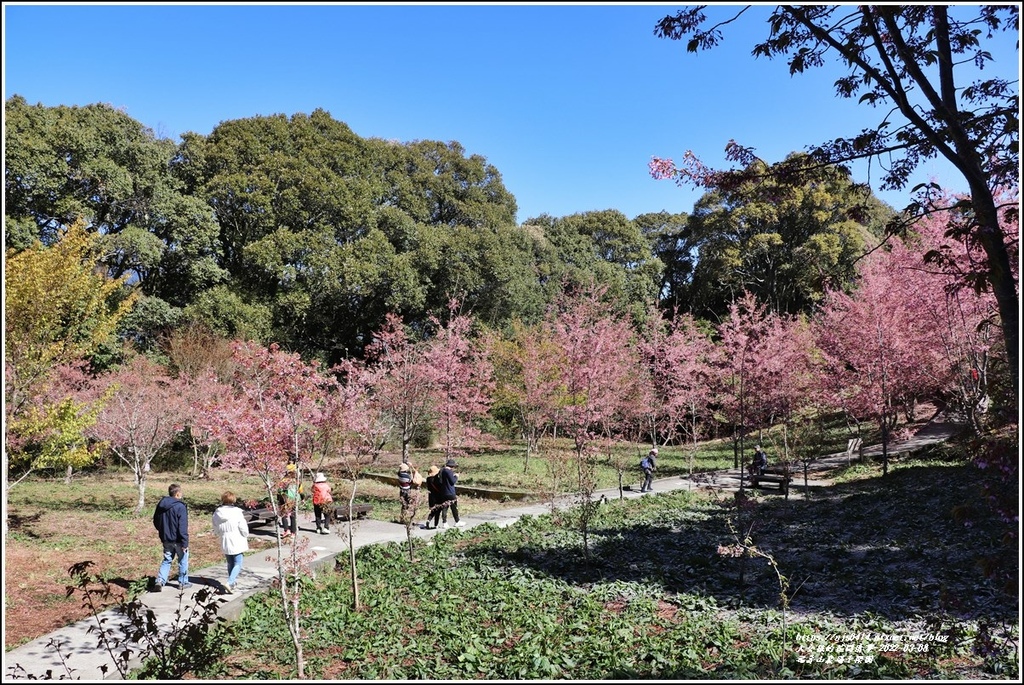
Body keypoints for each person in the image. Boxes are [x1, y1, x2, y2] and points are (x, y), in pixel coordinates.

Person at [152, 483, 190, 591]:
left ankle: (160, 581)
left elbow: (156, 520)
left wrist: (162, 531)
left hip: (166, 538)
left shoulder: (161, 505)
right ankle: (183, 582)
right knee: (182, 560)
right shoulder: (180, 506)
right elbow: (182, 526)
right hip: (178, 539)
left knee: (167, 559)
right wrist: (185, 542)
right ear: (177, 494)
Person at [212, 491, 249, 594]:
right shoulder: (237, 512)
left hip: (225, 538)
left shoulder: (217, 512)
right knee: (238, 562)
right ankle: (230, 581)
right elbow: (243, 527)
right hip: (237, 538)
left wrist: (220, 533)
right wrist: (245, 534)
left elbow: (215, 527)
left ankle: (232, 583)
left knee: (230, 562)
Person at [276, 463, 303, 538]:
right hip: (294, 499)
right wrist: (302, 499)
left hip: (284, 499)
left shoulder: (283, 480)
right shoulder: (297, 481)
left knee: (284, 515)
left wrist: (279, 499)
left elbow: (279, 491)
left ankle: (286, 530)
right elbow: (300, 491)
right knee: (293, 516)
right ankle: (293, 532)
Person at [439, 458, 465, 528]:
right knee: (454, 507)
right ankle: (457, 521)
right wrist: (456, 476)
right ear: (452, 466)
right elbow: (452, 481)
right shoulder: (449, 471)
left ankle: (444, 522)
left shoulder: (442, 471)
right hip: (450, 492)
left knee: (445, 507)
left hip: (444, 492)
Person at [423, 464, 442, 529]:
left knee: (433, 510)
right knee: (438, 511)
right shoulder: (437, 479)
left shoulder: (428, 479)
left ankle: (428, 520)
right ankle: (436, 524)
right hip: (438, 496)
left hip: (431, 496)